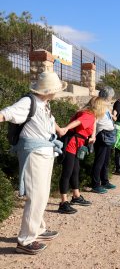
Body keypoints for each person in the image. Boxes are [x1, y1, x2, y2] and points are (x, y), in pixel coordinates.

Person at [0, 72, 66, 254]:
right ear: (49, 90)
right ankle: (25, 240)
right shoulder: (28, 102)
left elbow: (49, 123)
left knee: (42, 194)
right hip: (34, 154)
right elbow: (6, 114)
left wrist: (61, 130)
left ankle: (38, 229)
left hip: (45, 153)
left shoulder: (44, 103)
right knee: (36, 196)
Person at [58, 96, 106, 214]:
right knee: (67, 172)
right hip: (71, 144)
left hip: (76, 145)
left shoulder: (89, 114)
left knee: (75, 170)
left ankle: (76, 196)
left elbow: (92, 124)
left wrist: (93, 136)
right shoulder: (88, 115)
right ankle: (63, 203)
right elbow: (78, 122)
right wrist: (65, 128)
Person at [91, 86, 117, 194]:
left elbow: (108, 117)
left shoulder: (105, 106)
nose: (112, 98)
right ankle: (95, 184)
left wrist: (113, 116)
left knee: (105, 161)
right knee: (99, 161)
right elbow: (94, 120)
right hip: (102, 135)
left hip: (108, 135)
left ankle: (105, 181)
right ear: (107, 96)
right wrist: (93, 135)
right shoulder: (98, 105)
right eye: (111, 96)